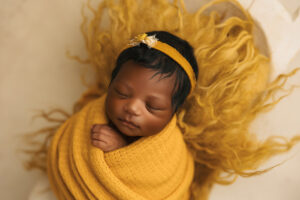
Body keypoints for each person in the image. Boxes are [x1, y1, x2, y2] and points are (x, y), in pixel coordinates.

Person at [90, 31, 198, 153]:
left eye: (152, 106)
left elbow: (154, 170)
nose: (132, 108)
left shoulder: (173, 150)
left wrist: (121, 148)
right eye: (122, 93)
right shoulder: (91, 116)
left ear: (174, 112)